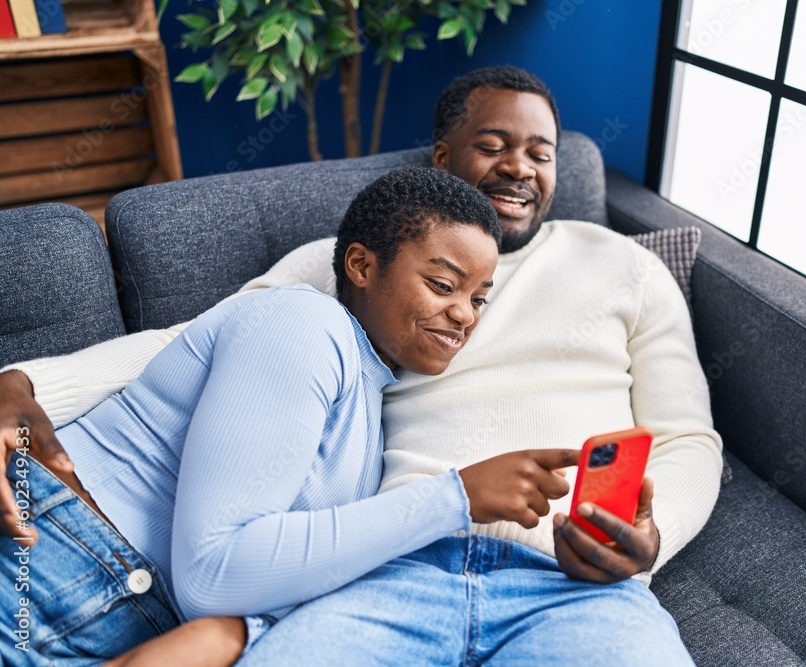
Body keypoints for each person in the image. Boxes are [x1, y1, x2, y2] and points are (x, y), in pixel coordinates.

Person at [1, 67, 722, 664]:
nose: (519, 167)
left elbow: (688, 440)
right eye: (495, 144)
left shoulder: (625, 266)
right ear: (444, 159)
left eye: (542, 152)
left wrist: (642, 544)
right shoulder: (345, 268)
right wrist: (24, 381)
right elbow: (192, 341)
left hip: (563, 575)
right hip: (382, 570)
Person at [0, 167, 579, 666]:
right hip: (48, 553)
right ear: (361, 265)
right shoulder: (304, 323)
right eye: (443, 284)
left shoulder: (367, 419)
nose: (463, 316)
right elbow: (212, 573)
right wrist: (456, 497)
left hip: (123, 615)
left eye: (478, 298)